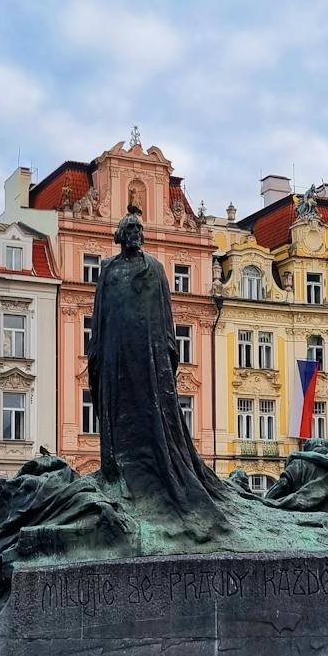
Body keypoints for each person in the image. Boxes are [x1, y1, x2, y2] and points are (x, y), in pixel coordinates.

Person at [88, 211, 228, 520]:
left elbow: (166, 314)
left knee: (152, 408)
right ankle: (119, 470)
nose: (136, 233)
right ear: (120, 235)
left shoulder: (154, 268)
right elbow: (99, 314)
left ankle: (155, 473)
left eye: (139, 228)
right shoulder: (108, 269)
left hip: (148, 351)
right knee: (117, 407)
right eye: (130, 228)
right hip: (115, 349)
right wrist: (95, 349)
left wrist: (169, 349)